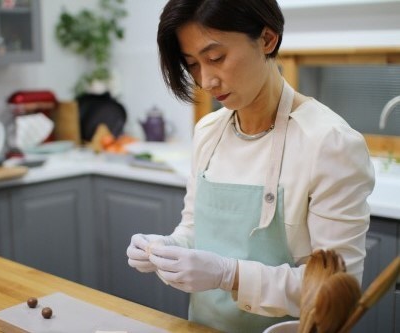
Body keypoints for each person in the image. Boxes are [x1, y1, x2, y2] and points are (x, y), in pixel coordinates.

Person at [126, 0, 375, 332]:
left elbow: (336, 287)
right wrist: (167, 248)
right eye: (193, 65)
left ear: (267, 39)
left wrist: (230, 274)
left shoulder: (329, 143)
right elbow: (194, 229)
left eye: (216, 58)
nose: (207, 81)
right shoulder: (208, 133)